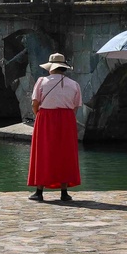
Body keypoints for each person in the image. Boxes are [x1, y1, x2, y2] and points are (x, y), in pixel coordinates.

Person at [28, 53, 82, 202]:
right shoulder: (74, 84)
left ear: (51, 68)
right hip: (67, 119)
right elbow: (75, 107)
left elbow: (35, 103)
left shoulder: (42, 81)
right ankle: (64, 192)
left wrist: (39, 115)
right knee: (65, 154)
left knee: (43, 152)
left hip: (46, 117)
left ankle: (39, 191)